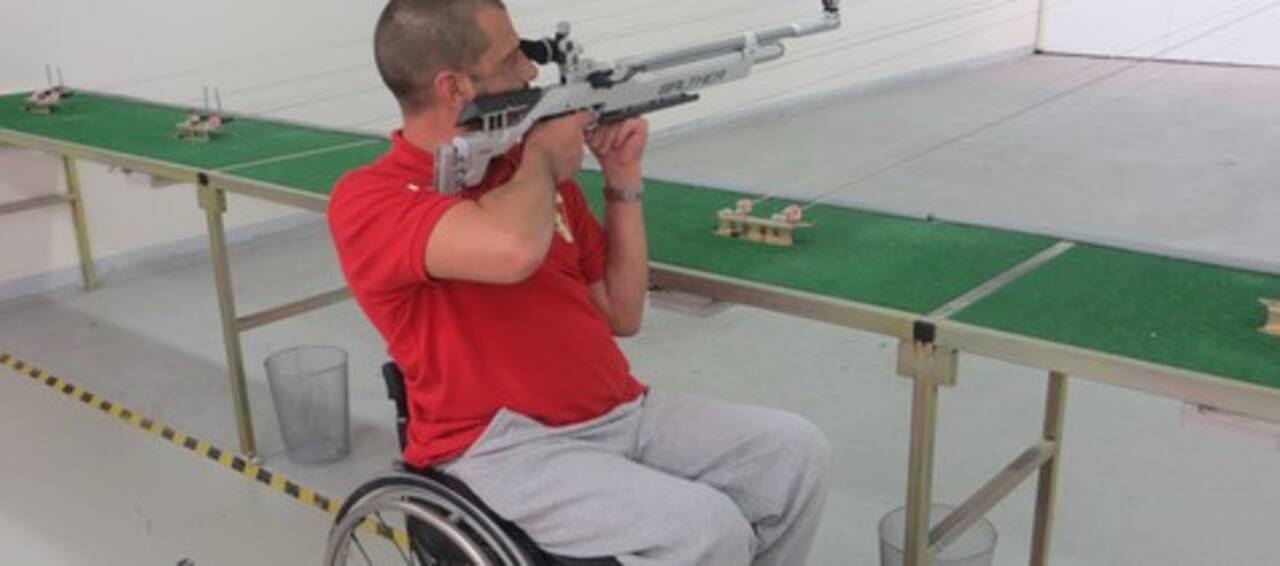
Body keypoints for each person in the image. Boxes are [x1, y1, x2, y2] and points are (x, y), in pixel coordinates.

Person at [328, 1, 830, 564]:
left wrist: (622, 180)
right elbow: (512, 249)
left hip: (620, 411)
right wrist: (541, 157)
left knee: (796, 453)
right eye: (513, 57)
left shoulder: (522, 172)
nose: (531, 73)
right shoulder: (370, 198)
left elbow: (622, 312)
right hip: (504, 448)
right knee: (707, 530)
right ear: (455, 88)